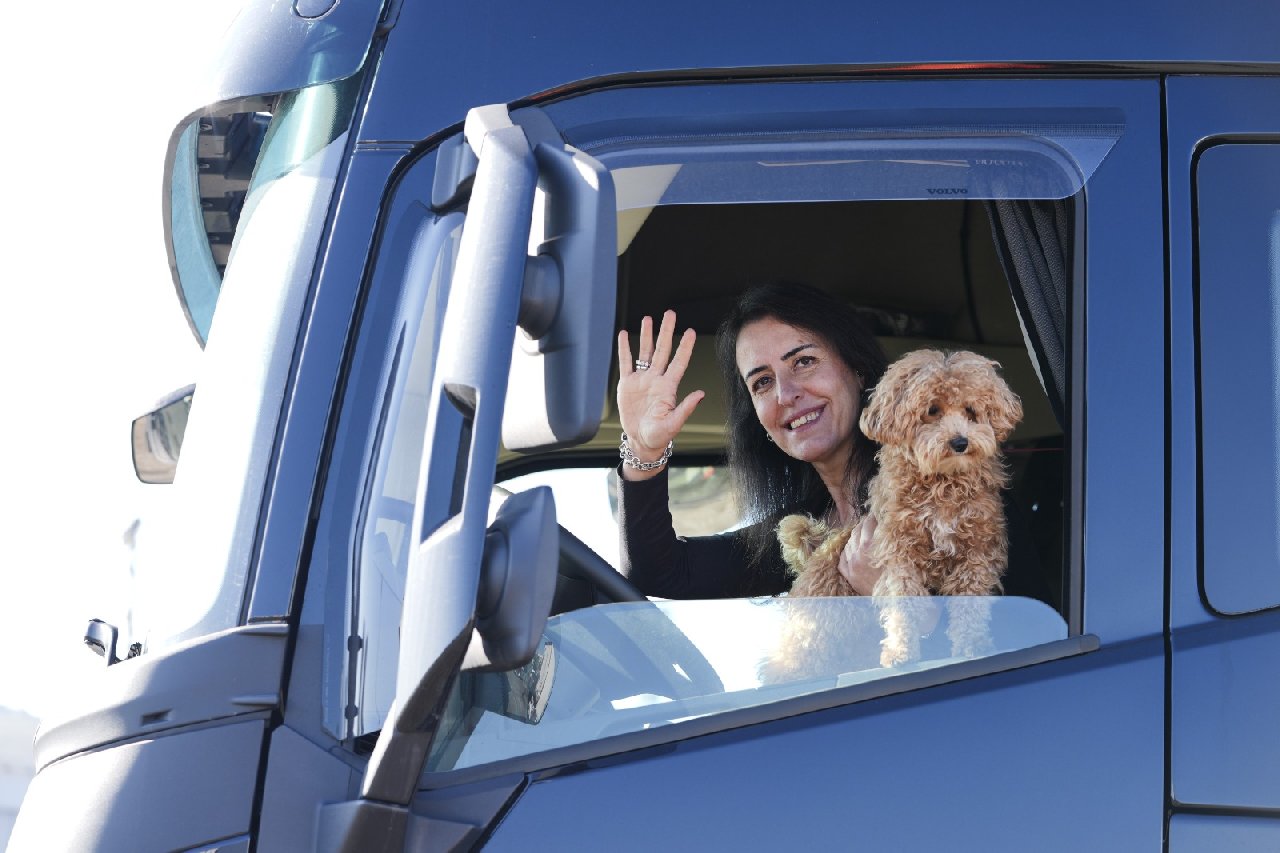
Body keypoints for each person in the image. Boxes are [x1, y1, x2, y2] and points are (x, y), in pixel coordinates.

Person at [614, 281, 1049, 603]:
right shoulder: (797, 534)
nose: (786, 394)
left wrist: (891, 598)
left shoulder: (959, 492)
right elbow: (662, 575)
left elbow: (1027, 651)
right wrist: (644, 451)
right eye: (763, 382)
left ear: (857, 370)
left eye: (804, 362)